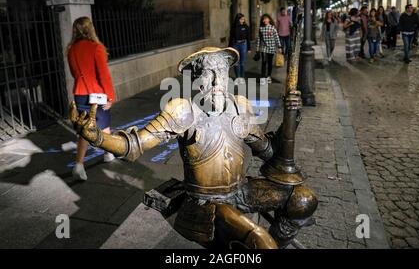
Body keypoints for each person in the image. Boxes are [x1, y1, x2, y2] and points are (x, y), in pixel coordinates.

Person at [70, 46, 318, 249]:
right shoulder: (183, 111)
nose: (214, 80)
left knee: (303, 199)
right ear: (197, 79)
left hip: (240, 190)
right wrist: (98, 138)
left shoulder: (240, 108)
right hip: (205, 202)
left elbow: (269, 153)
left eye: (220, 71)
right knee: (260, 242)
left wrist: (290, 123)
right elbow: (133, 145)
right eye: (207, 73)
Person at [67, 16, 115, 181]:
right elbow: (104, 76)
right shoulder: (96, 48)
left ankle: (79, 165)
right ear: (90, 28)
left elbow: (74, 73)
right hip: (97, 94)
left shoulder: (71, 49)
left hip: (80, 93)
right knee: (105, 123)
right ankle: (108, 153)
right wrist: (110, 96)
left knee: (84, 129)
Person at [256, 14, 282, 85]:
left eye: (266, 19)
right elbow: (259, 39)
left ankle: (268, 77)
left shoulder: (273, 28)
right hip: (264, 48)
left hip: (272, 48)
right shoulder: (261, 28)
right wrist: (257, 49)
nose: (264, 20)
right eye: (263, 19)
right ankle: (263, 77)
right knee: (264, 62)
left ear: (269, 19)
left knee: (270, 63)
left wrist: (279, 47)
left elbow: (277, 38)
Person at [229, 13, 251, 84]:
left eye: (243, 19)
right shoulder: (234, 27)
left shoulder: (246, 27)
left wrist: (249, 48)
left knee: (242, 62)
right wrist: (229, 48)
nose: (243, 20)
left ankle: (242, 77)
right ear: (238, 19)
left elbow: (248, 38)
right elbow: (231, 37)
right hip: (235, 45)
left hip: (243, 45)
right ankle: (237, 77)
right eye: (241, 19)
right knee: (236, 62)